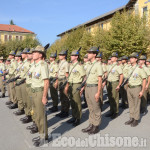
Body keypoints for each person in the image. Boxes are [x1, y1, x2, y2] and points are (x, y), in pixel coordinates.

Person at [81, 47, 103, 134]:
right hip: (87, 87)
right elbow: (86, 77)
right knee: (90, 107)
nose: (88, 54)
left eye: (90, 53)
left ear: (94, 54)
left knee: (96, 107)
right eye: (88, 53)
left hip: (94, 87)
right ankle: (91, 124)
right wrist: (83, 87)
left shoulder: (98, 65)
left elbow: (100, 80)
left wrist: (98, 92)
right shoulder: (88, 65)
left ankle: (96, 126)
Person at [31, 45, 49, 147]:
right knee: (37, 115)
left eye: (35, 52)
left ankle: (44, 137)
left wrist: (44, 96)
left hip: (39, 92)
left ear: (40, 54)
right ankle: (41, 134)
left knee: (41, 116)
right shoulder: (35, 65)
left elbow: (46, 82)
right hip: (34, 91)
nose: (33, 53)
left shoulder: (43, 65)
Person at [64, 49, 85, 126]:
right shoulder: (71, 66)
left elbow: (84, 77)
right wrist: (67, 86)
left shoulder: (79, 66)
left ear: (76, 57)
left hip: (77, 84)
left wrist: (82, 87)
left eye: (72, 55)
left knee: (77, 102)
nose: (71, 56)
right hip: (71, 84)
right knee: (72, 101)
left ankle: (78, 118)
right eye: (71, 55)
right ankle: (74, 116)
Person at [125, 52, 146, 127]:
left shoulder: (139, 68)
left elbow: (144, 79)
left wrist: (142, 91)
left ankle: (136, 119)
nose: (130, 59)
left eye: (132, 58)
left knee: (136, 104)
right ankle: (131, 117)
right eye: (130, 58)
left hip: (137, 88)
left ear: (136, 59)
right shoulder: (129, 68)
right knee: (131, 104)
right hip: (130, 88)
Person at [105, 52, 123, 119]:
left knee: (115, 98)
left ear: (116, 58)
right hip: (109, 83)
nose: (111, 58)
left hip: (115, 83)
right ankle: (111, 110)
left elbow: (121, 75)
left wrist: (119, 84)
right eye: (111, 57)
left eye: (113, 57)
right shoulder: (109, 66)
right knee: (110, 97)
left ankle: (116, 112)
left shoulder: (117, 67)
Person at [55, 50, 70, 118]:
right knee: (61, 96)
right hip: (60, 80)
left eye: (61, 55)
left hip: (64, 80)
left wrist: (67, 85)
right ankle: (62, 110)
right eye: (59, 54)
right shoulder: (60, 63)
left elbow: (67, 75)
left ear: (64, 56)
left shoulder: (66, 63)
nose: (59, 56)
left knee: (65, 97)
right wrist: (57, 82)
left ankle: (66, 111)